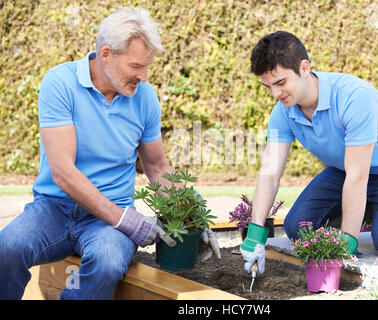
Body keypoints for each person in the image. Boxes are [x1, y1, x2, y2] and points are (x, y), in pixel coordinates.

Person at [0, 7, 220, 300]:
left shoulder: (145, 98)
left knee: (107, 263)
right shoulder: (60, 84)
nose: (144, 76)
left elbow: (156, 166)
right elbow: (63, 173)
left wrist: (194, 216)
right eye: (136, 66)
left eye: (147, 67)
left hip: (106, 221)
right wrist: (125, 220)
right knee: (6, 249)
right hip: (54, 208)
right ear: (106, 55)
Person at [240, 31, 378, 275]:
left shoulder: (353, 97)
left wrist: (346, 241)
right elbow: (270, 175)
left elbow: (358, 177)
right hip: (346, 168)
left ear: (304, 68)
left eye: (281, 83)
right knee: (298, 228)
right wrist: (255, 235)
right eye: (268, 86)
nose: (275, 94)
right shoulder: (283, 112)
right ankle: (372, 208)